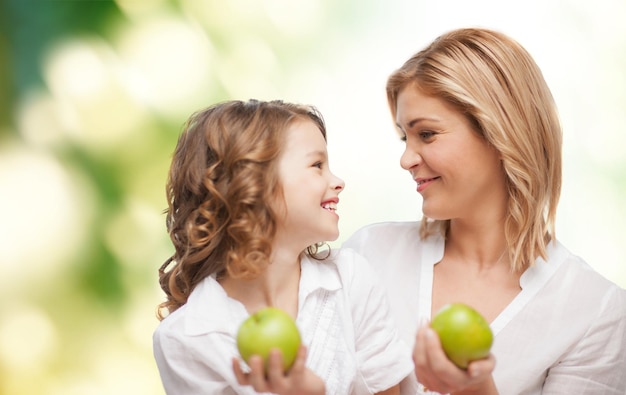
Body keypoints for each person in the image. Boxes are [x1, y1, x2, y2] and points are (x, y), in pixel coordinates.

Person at [343, 27, 626, 395]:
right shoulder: (368, 256)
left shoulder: (595, 311)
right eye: (404, 137)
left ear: (499, 133)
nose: (406, 159)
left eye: (426, 134)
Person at [152, 99, 413, 394]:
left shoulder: (350, 278)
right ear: (251, 184)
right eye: (317, 165)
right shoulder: (186, 338)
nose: (338, 181)